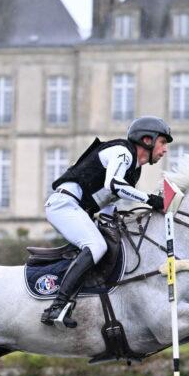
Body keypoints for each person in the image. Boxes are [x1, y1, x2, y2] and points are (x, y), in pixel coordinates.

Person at [40, 116, 174, 328]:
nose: (165, 149)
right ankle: (57, 307)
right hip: (63, 204)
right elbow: (113, 185)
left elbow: (108, 202)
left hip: (78, 210)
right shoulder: (122, 152)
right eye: (163, 142)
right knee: (96, 245)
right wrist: (151, 200)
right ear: (148, 139)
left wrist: (117, 220)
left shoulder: (134, 170)